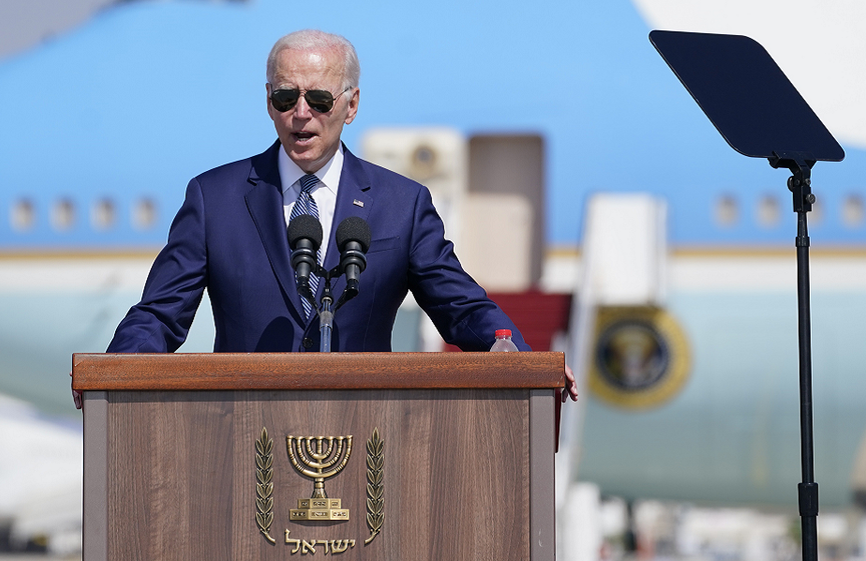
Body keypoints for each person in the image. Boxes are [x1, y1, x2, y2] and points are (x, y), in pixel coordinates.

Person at [108, 29, 578, 400]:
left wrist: (525, 361)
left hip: (364, 433)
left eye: (318, 100)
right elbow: (160, 314)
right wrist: (109, 375)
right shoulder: (215, 198)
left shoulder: (401, 204)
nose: (300, 114)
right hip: (243, 432)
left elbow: (461, 306)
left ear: (351, 105)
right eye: (285, 98)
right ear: (267, 101)